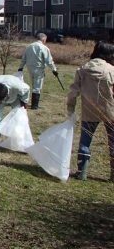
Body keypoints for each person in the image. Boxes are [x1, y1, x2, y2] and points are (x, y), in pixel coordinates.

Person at [66, 41, 114, 182]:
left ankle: (82, 172)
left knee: (85, 142)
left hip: (89, 111)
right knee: (113, 143)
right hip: (110, 111)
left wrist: (71, 109)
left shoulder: (83, 69)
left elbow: (72, 93)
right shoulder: (111, 70)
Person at [0, 74, 30, 152]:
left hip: (16, 97)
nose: (1, 101)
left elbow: (27, 89)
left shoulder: (18, 87)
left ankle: (22, 145)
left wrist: (24, 101)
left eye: (1, 99)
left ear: (6, 95)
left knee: (20, 118)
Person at [18, 32, 58, 109]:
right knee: (37, 87)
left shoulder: (29, 46)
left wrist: (21, 67)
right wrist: (54, 70)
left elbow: (24, 59)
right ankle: (35, 105)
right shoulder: (43, 48)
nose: (45, 42)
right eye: (45, 40)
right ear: (43, 39)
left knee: (33, 85)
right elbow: (49, 61)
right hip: (38, 69)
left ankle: (33, 103)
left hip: (30, 68)